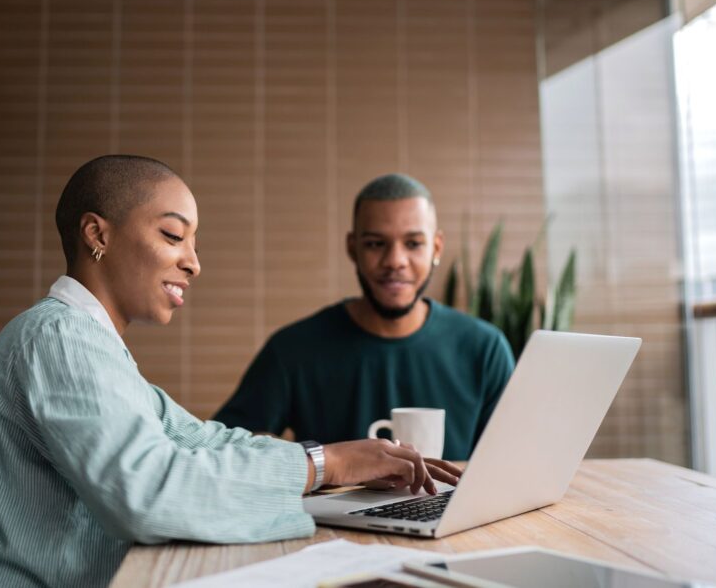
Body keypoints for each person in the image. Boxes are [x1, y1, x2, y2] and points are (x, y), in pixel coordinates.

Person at [0, 156, 462, 588]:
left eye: (194, 243)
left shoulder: (95, 348)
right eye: (173, 236)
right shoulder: (59, 339)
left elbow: (203, 440)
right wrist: (327, 464)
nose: (194, 262)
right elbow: (150, 493)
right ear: (97, 234)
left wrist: (334, 463)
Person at [214, 174, 515, 460]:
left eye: (413, 244)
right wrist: (303, 462)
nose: (395, 261)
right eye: (375, 244)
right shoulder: (293, 349)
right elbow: (223, 446)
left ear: (436, 247)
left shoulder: (484, 349)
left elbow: (513, 460)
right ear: (352, 248)